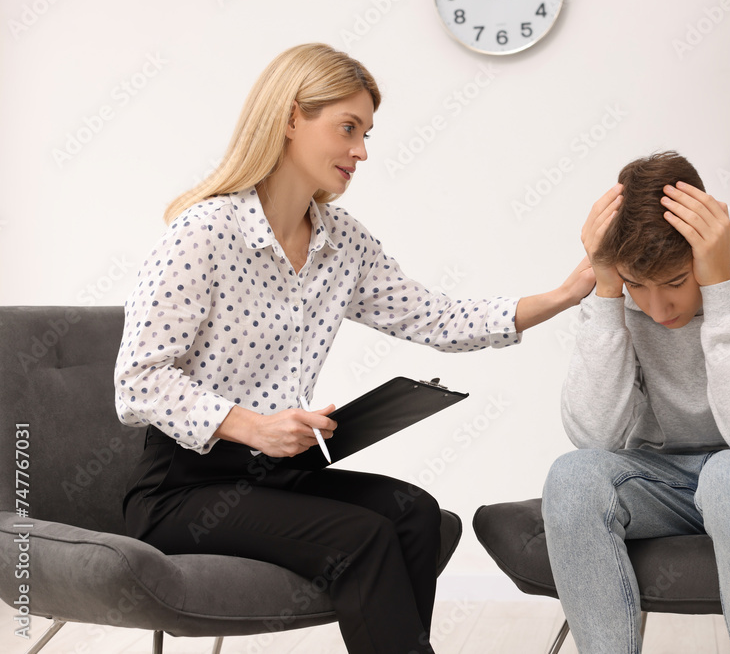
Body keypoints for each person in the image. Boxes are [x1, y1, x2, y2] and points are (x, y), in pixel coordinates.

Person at [114, 42, 594, 654]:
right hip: (180, 492)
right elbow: (138, 380)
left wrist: (566, 293)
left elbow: (438, 318)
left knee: (415, 514)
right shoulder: (204, 233)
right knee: (362, 534)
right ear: (291, 118)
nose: (362, 151)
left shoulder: (342, 244)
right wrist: (253, 426)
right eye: (348, 128)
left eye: (366, 132)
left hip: (273, 479)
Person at [541, 151, 730, 654]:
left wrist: (721, 289)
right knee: (572, 475)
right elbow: (595, 436)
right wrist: (605, 295)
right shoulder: (620, 287)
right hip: (669, 479)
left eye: (676, 284)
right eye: (638, 286)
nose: (657, 308)